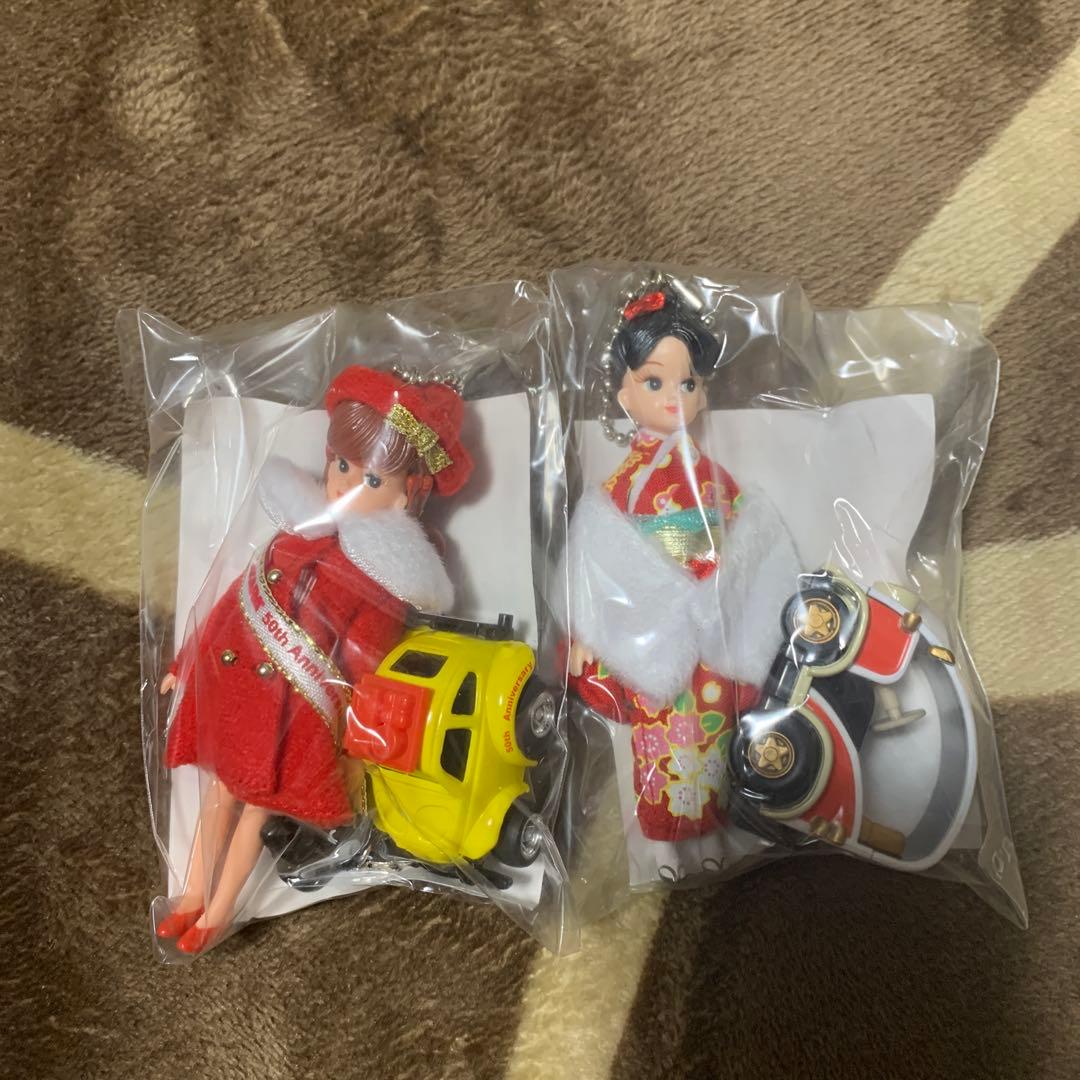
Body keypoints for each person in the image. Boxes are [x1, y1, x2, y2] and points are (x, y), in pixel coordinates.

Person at [157, 365, 471, 954]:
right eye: (342, 465)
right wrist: (186, 661)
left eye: (371, 478)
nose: (347, 484)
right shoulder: (292, 534)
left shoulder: (380, 579)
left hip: (297, 711)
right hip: (241, 690)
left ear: (406, 494)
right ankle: (191, 896)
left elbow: (366, 663)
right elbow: (232, 606)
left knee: (255, 811)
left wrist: (354, 738)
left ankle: (216, 916)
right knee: (220, 794)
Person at [564, 285, 799, 846]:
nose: (674, 396)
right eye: (654, 383)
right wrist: (590, 632)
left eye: (687, 383)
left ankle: (726, 809)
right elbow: (598, 557)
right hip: (656, 628)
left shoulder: (714, 477)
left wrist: (735, 587)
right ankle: (667, 817)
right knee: (663, 725)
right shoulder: (620, 487)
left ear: (702, 391)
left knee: (716, 727)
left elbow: (747, 532)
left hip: (713, 620)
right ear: (624, 391)